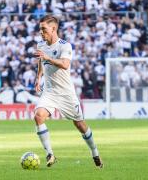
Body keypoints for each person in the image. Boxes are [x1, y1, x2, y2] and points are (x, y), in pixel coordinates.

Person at [33, 15, 103, 168]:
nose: (41, 32)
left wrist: (47, 57)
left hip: (66, 93)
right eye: (40, 29)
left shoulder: (65, 46)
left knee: (80, 125)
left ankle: (95, 152)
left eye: (43, 29)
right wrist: (38, 77)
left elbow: (64, 64)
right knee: (38, 116)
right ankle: (50, 154)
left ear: (53, 29)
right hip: (50, 91)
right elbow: (40, 61)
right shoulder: (41, 45)